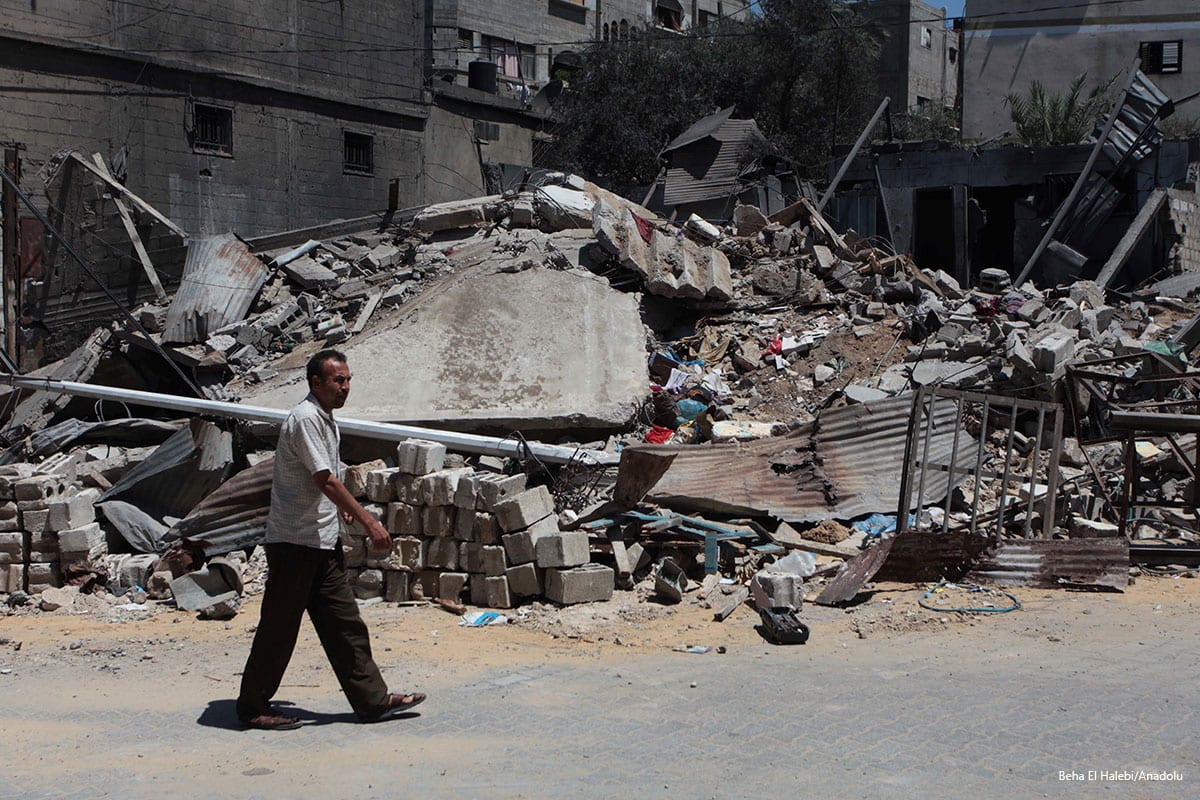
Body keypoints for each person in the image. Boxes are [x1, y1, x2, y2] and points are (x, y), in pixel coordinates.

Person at [236, 348, 425, 730]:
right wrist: (368, 520)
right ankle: (252, 706)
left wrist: (338, 511)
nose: (346, 387)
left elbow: (321, 478)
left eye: (348, 379)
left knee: (345, 623)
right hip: (293, 544)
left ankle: (372, 701)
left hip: (321, 542)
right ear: (315, 383)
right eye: (338, 380)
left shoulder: (325, 419)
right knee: (279, 628)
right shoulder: (305, 418)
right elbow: (325, 478)